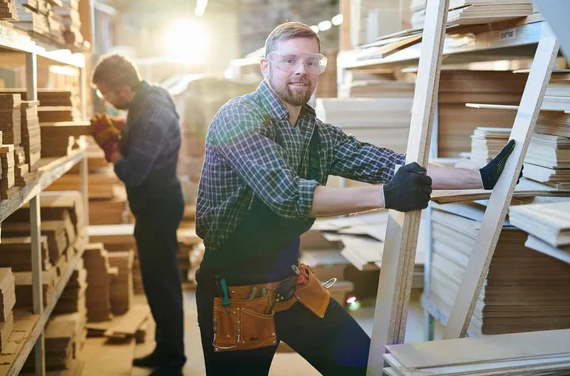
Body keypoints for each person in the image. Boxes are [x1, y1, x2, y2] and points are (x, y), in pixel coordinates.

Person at [194, 22, 519, 375]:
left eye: (311, 62)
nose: (301, 70)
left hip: (291, 286)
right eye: (289, 60)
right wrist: (387, 196)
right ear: (266, 66)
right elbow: (286, 195)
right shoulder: (238, 117)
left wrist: (481, 177)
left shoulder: (314, 131)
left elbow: (386, 163)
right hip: (235, 295)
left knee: (364, 368)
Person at [90, 54, 186, 376]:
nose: (107, 101)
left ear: (122, 89)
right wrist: (123, 129)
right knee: (157, 284)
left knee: (164, 286)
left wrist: (111, 148)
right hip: (154, 205)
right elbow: (142, 133)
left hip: (158, 206)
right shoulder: (149, 98)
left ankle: (172, 360)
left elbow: (133, 173)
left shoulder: (153, 114)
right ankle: (165, 350)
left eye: (107, 95)